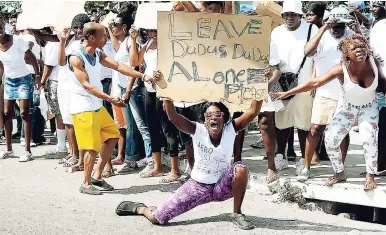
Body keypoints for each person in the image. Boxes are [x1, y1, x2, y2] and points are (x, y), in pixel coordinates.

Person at [115, 99, 262, 230]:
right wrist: (167, 96)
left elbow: (253, 110)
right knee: (158, 218)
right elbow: (173, 116)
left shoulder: (231, 128)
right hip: (198, 186)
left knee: (240, 169)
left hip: (221, 187)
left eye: (217, 114)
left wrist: (262, 83)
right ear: (204, 119)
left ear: (224, 116)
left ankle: (237, 213)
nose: (213, 118)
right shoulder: (197, 129)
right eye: (208, 115)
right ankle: (141, 209)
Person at [273, 34, 385, 191]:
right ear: (346, 53)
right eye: (355, 48)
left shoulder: (374, 63)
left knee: (368, 137)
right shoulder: (340, 69)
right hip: (348, 106)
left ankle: (370, 175)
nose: (360, 50)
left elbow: (383, 82)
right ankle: (339, 173)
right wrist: (286, 93)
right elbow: (315, 82)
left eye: (362, 46)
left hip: (369, 105)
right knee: (331, 140)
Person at [68, 22, 160, 195]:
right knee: (91, 147)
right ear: (92, 38)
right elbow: (87, 85)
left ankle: (97, 176)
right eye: (103, 35)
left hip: (96, 105)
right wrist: (110, 99)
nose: (106, 39)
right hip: (83, 107)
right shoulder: (76, 57)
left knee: (112, 136)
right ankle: (86, 183)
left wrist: (143, 76)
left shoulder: (97, 53)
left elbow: (118, 66)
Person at [296, 7, 354, 182]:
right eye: (334, 25)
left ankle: (339, 169)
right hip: (324, 91)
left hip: (346, 94)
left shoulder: (351, 33)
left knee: (342, 132)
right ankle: (306, 167)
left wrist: (356, 29)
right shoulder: (322, 34)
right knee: (315, 129)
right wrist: (324, 27)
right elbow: (307, 51)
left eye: (341, 25)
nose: (337, 29)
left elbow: (365, 54)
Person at [268, 0, 318, 175]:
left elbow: (318, 58)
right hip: (281, 83)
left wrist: (314, 81)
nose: (289, 18)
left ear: (300, 16)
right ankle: (280, 155)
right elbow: (272, 60)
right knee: (281, 123)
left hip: (304, 83)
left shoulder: (312, 30)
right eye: (286, 14)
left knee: (304, 125)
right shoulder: (276, 32)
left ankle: (303, 161)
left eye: (293, 14)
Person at [107, 4, 153, 174]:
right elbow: (117, 51)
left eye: (116, 25)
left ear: (124, 27)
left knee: (140, 126)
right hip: (125, 89)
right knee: (131, 126)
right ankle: (132, 158)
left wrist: (127, 91)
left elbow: (134, 68)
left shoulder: (131, 43)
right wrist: (110, 28)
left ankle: (148, 160)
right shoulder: (124, 43)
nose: (113, 28)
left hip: (132, 90)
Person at [0, 15, 41, 161]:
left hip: (24, 79)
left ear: (3, 24)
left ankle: (27, 150)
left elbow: (31, 58)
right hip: (9, 81)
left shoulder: (17, 40)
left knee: (24, 112)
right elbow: (1, 65)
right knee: (6, 113)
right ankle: (9, 149)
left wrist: (37, 76)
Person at [57, 14, 90, 170]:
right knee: (68, 120)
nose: (78, 30)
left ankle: (81, 158)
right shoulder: (71, 42)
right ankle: (75, 154)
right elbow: (62, 62)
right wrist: (63, 40)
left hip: (83, 89)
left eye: (81, 27)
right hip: (67, 86)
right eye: (76, 28)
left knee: (80, 124)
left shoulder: (89, 44)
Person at [41, 38, 68, 157]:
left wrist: (41, 81)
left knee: (59, 114)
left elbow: (49, 65)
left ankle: (62, 146)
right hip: (63, 80)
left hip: (56, 80)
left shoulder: (53, 43)